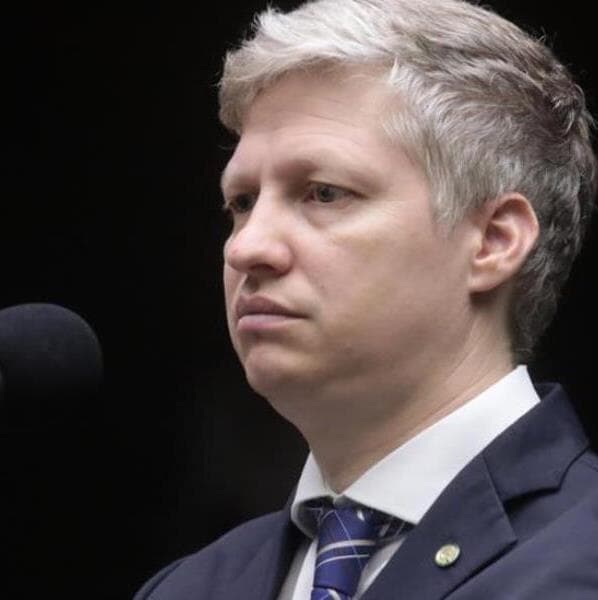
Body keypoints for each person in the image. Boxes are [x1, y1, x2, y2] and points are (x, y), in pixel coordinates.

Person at [135, 0, 598, 598]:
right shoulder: (185, 588)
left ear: (493, 241)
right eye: (242, 202)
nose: (247, 247)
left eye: (324, 193)